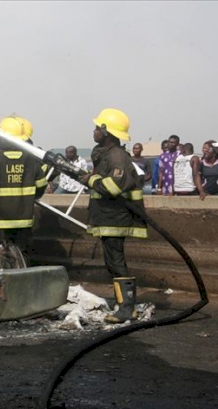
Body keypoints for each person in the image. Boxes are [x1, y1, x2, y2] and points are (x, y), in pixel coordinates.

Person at [79, 108, 147, 324]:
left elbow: (112, 186)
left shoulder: (117, 156)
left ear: (106, 131)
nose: (94, 131)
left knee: (116, 262)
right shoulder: (106, 154)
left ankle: (127, 308)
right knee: (112, 262)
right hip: (108, 216)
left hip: (116, 218)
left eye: (97, 127)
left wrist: (90, 180)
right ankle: (125, 306)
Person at [0, 116, 47, 258]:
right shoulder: (30, 158)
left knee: (0, 255)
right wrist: (31, 197)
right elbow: (41, 184)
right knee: (22, 254)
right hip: (24, 218)